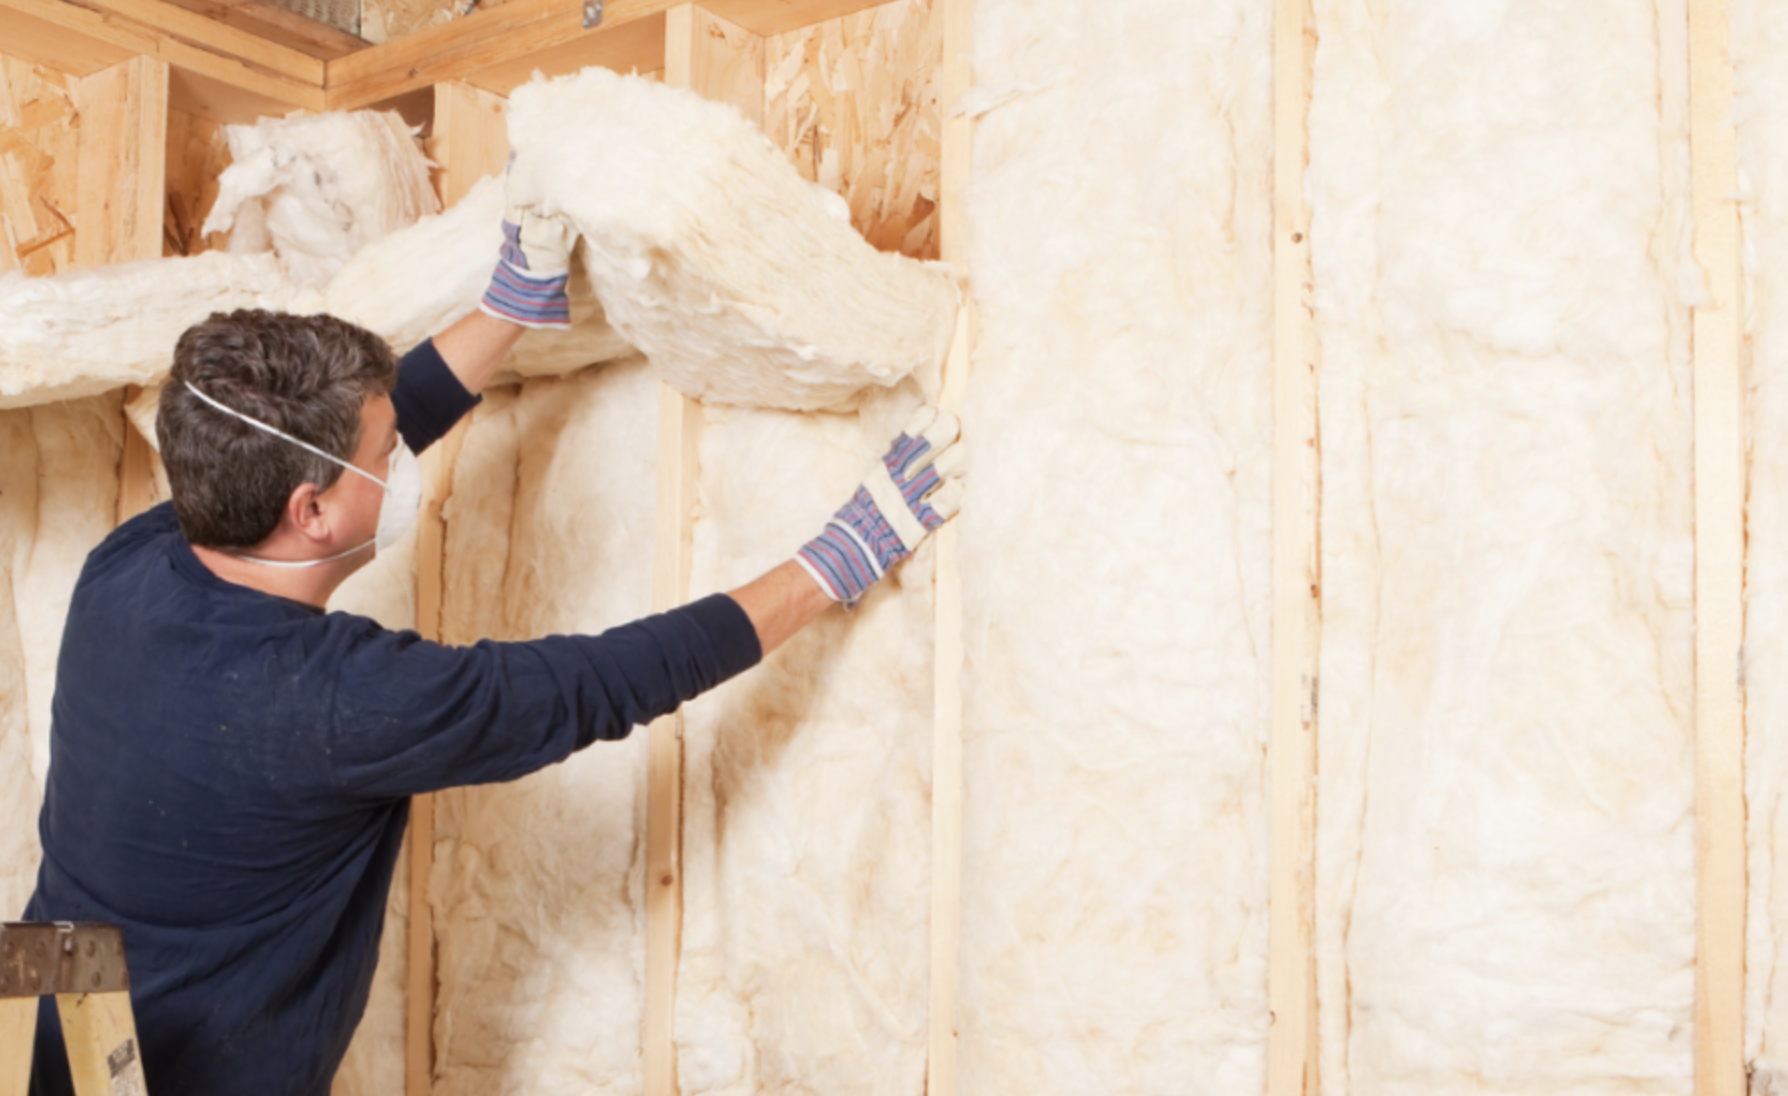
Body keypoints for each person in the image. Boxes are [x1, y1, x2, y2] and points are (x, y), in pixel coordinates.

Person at [24, 204, 963, 1096]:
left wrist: (510, 307)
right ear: (309, 513)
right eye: (386, 456)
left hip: (38, 1016)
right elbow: (597, 684)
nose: (399, 462)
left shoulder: (136, 562)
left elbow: (324, 449)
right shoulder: (333, 703)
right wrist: (832, 564)